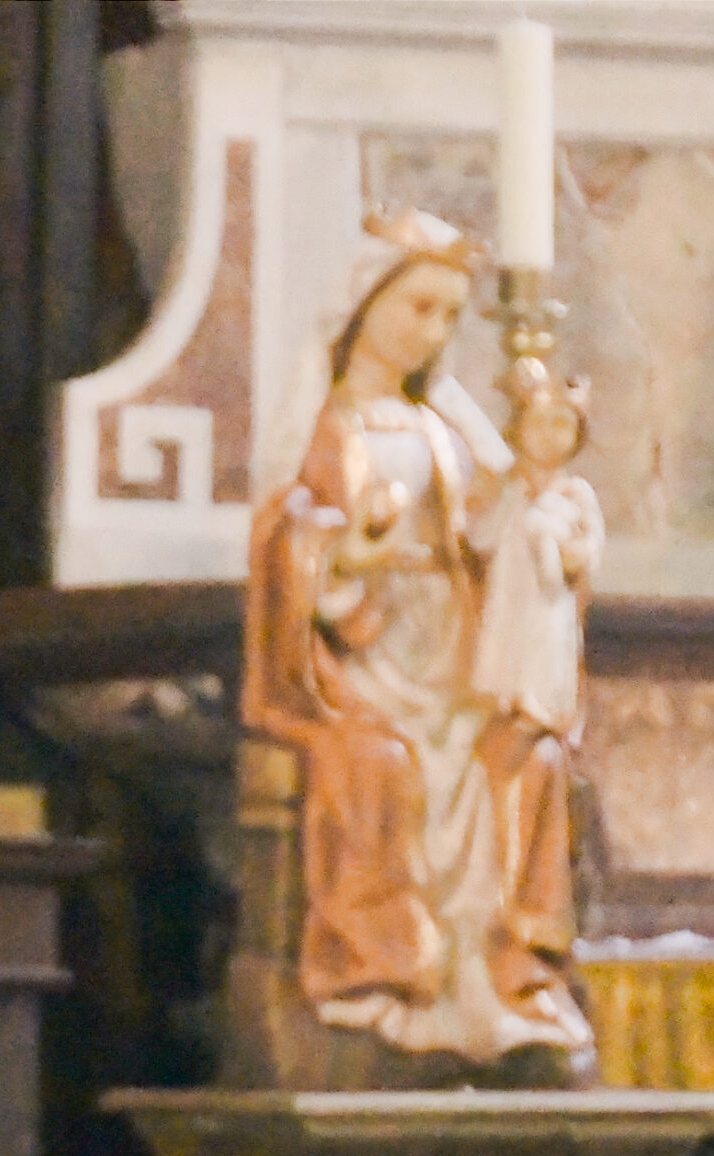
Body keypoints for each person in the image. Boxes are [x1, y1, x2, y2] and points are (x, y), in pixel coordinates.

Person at [242, 208, 592, 1076]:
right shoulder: (328, 423)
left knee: (525, 759)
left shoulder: (443, 425)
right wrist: (344, 552)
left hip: (454, 649)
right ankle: (387, 976)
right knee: (380, 763)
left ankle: (504, 977)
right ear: (367, 304)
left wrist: (536, 508)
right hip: (362, 657)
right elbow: (284, 538)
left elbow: (489, 525)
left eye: (448, 315)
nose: (432, 331)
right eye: (419, 306)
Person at [471, 375, 600, 741]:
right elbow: (482, 537)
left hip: (550, 595)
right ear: (520, 428)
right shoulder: (510, 489)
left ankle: (543, 700)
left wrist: (572, 553)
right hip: (510, 590)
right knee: (506, 635)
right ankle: (507, 693)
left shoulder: (574, 494)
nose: (548, 435)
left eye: (560, 424)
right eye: (538, 423)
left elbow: (591, 545)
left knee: (548, 639)